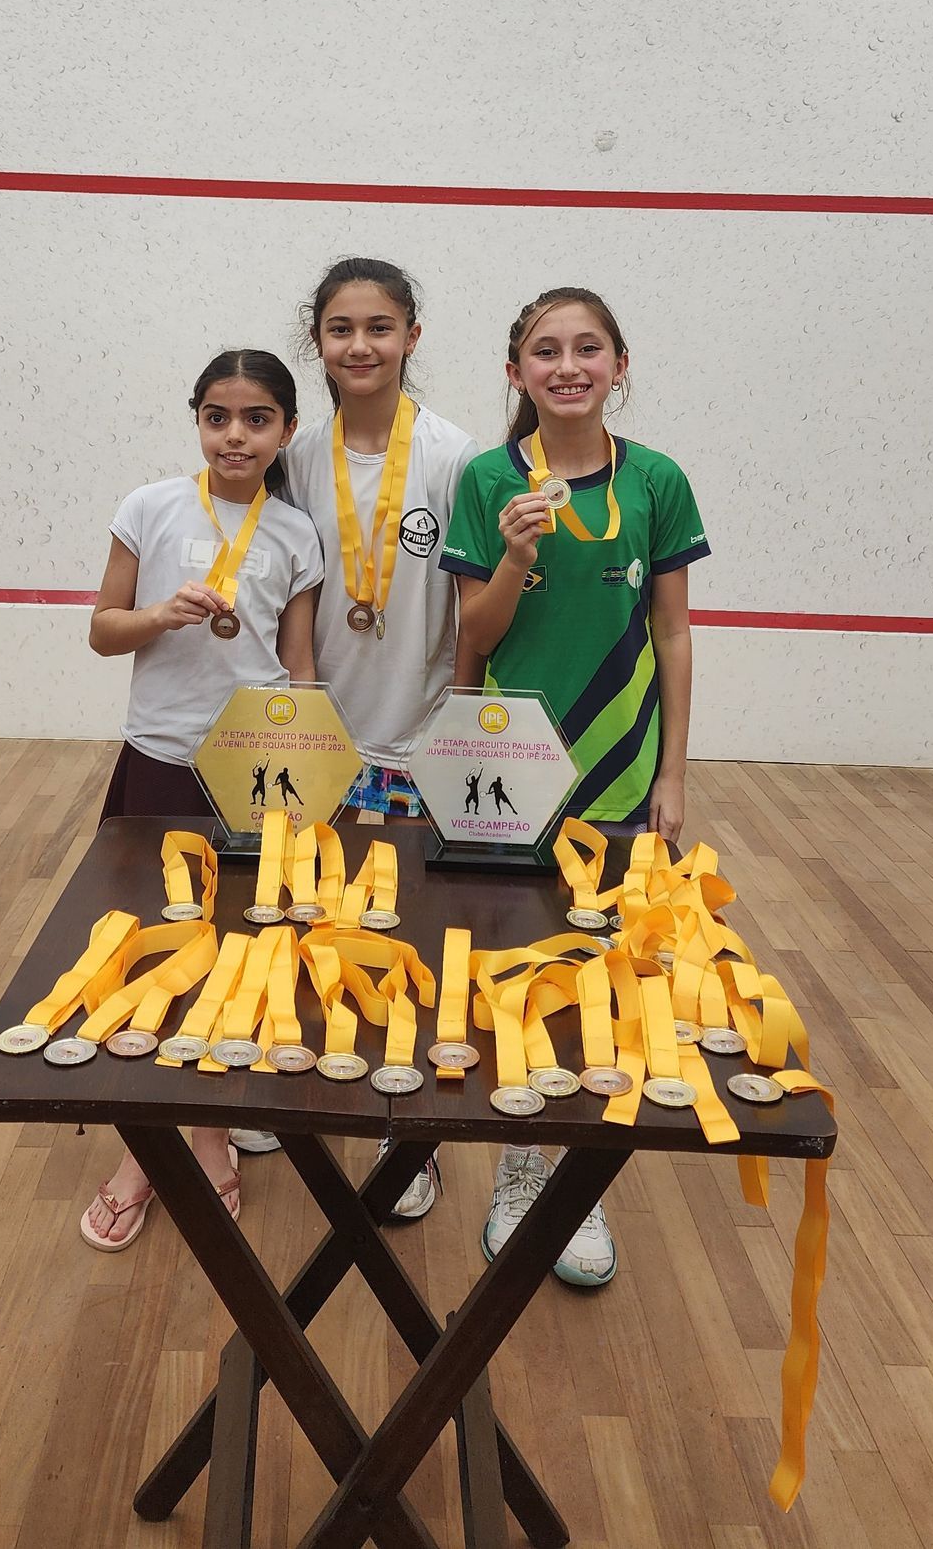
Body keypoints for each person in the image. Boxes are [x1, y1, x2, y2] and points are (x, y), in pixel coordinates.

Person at [442, 286, 710, 1289]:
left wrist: (673, 772)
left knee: (600, 973)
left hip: (621, 772)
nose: (565, 364)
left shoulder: (656, 480)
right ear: (515, 372)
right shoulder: (482, 479)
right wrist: (513, 552)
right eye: (543, 350)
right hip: (510, 772)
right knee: (511, 967)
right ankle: (519, 1162)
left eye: (585, 346)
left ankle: (571, 1183)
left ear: (617, 362)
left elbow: (673, 631)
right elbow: (473, 634)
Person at [79, 350, 322, 1251]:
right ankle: (147, 1151)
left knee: (235, 952)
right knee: (149, 951)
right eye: (218, 416)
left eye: (257, 419)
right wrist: (158, 617)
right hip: (159, 762)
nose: (236, 435)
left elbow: (299, 669)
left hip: (254, 772)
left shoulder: (296, 534)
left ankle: (210, 1136)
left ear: (286, 431)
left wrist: (306, 770)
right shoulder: (149, 507)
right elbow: (103, 632)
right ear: (197, 421)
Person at [284, 256, 479, 1220]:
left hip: (418, 740)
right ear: (316, 342)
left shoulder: (453, 455)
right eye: (339, 329)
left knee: (407, 945)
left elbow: (473, 606)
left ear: (411, 336)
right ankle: (304, 1091)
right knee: (316, 923)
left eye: (379, 327)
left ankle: (408, 1136)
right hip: (322, 742)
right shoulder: (294, 453)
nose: (359, 345)